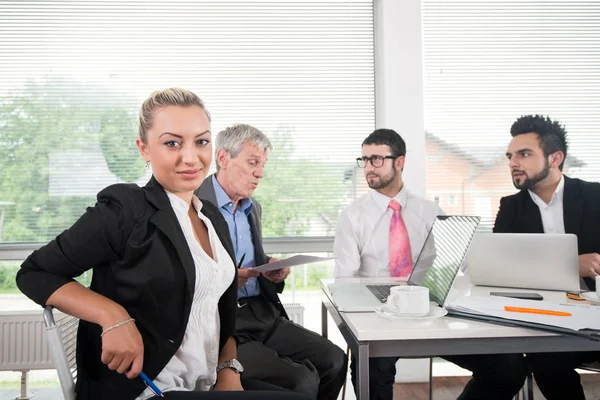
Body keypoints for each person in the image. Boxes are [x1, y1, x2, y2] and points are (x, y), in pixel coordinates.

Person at [15, 88, 309, 400]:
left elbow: (220, 312)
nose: (190, 157)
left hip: (204, 382)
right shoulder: (126, 209)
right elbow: (33, 273)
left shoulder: (211, 216)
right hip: (150, 388)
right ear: (144, 149)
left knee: (304, 384)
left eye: (201, 141)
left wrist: (228, 370)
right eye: (172, 143)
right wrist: (112, 315)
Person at [333, 128, 527, 400]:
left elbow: (465, 261)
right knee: (369, 373)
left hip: (428, 310)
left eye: (376, 159)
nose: (368, 167)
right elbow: (344, 280)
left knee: (508, 368)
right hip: (378, 314)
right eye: (363, 160)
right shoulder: (352, 216)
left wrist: (497, 282)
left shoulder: (429, 211)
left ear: (399, 162)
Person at [194, 123, 347, 400]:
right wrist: (228, 277)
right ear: (223, 158)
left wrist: (271, 268)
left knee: (334, 360)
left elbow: (249, 258)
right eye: (253, 163)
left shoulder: (253, 208)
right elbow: (184, 272)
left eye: (263, 165)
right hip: (223, 324)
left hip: (262, 314)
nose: (260, 173)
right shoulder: (193, 204)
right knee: (302, 380)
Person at [495, 114, 600, 400]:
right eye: (510, 156)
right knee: (546, 359)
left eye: (524, 154)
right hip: (550, 320)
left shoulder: (594, 197)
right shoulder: (511, 208)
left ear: (555, 158)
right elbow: (499, 269)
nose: (513, 163)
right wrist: (569, 263)